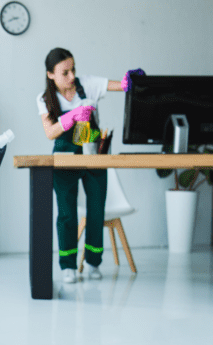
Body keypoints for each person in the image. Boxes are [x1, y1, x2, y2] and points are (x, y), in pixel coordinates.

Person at [36, 47, 143, 283]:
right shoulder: (45, 99)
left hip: (94, 154)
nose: (72, 76)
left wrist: (130, 81)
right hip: (64, 157)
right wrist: (71, 117)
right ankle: (68, 266)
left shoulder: (88, 85)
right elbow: (50, 132)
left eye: (73, 69)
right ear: (51, 74)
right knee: (66, 213)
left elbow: (122, 86)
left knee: (97, 209)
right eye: (65, 72)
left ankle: (94, 262)